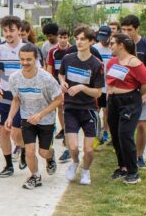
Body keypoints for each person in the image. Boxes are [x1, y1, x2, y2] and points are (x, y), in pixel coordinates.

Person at [7, 44, 63, 189]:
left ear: (36, 59)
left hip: (46, 119)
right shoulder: (14, 78)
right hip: (27, 118)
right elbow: (16, 99)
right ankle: (35, 176)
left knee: (43, 152)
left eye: (29, 60)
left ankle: (50, 157)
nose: (25, 63)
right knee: (30, 150)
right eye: (22, 59)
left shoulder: (46, 78)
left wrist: (41, 114)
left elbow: (59, 99)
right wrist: (10, 117)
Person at [59, 26, 104, 185]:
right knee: (72, 147)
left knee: (89, 150)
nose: (79, 42)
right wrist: (62, 82)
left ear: (91, 41)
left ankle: (86, 171)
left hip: (89, 110)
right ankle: (75, 162)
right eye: (77, 38)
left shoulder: (96, 64)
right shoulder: (68, 59)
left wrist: (82, 87)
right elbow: (61, 73)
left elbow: (98, 93)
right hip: (70, 108)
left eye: (83, 39)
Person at [106, 33, 146, 184]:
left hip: (129, 101)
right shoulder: (112, 62)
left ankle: (133, 172)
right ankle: (123, 167)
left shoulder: (134, 63)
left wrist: (139, 94)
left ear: (121, 45)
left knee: (125, 135)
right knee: (116, 135)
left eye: (112, 43)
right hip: (113, 101)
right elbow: (110, 81)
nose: (110, 45)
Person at [0, 15, 27, 178]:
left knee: (15, 133)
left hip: (22, 97)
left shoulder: (28, 49)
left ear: (19, 30)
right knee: (4, 131)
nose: (8, 34)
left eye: (11, 30)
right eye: (5, 30)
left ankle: (24, 149)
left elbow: (38, 73)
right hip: (4, 95)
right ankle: (9, 164)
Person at [121, 15, 146, 169]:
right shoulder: (120, 44)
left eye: (129, 29)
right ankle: (125, 155)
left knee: (141, 125)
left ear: (137, 29)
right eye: (123, 29)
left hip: (141, 91)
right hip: (123, 91)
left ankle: (139, 155)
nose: (126, 32)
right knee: (124, 125)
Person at [46, 27, 71, 159]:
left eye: (65, 37)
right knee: (60, 108)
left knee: (68, 109)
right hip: (56, 84)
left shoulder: (72, 50)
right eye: (60, 37)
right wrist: (51, 84)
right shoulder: (52, 52)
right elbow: (49, 69)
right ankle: (63, 129)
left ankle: (68, 133)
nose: (62, 40)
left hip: (70, 84)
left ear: (68, 38)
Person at [93, 25, 113, 145]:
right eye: (100, 37)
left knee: (107, 111)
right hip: (97, 85)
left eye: (105, 37)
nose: (102, 40)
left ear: (110, 36)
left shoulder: (113, 48)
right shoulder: (95, 48)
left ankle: (106, 131)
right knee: (96, 110)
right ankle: (96, 133)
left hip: (109, 85)